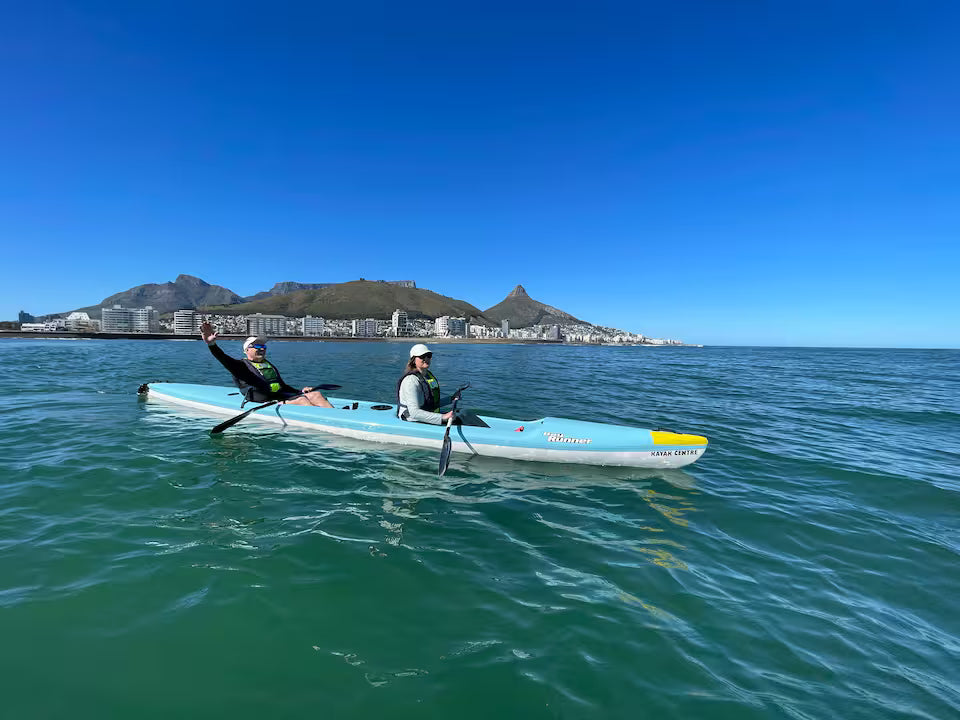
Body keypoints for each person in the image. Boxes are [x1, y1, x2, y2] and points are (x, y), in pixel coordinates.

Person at [200, 321, 333, 407]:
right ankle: (325, 423)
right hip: (262, 402)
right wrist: (211, 344)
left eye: (263, 346)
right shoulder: (239, 366)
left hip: (278, 397)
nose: (262, 348)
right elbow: (222, 357)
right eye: (257, 345)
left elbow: (282, 386)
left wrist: (300, 391)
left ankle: (335, 416)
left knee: (316, 394)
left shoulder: (268, 365)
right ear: (247, 350)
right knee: (302, 401)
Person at [396, 343, 459, 424]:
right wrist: (443, 417)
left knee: (464, 414)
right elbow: (414, 413)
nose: (426, 358)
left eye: (428, 355)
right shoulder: (410, 381)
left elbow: (430, 403)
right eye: (422, 356)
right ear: (413, 360)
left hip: (425, 415)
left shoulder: (427, 376)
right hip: (412, 420)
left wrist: (451, 399)